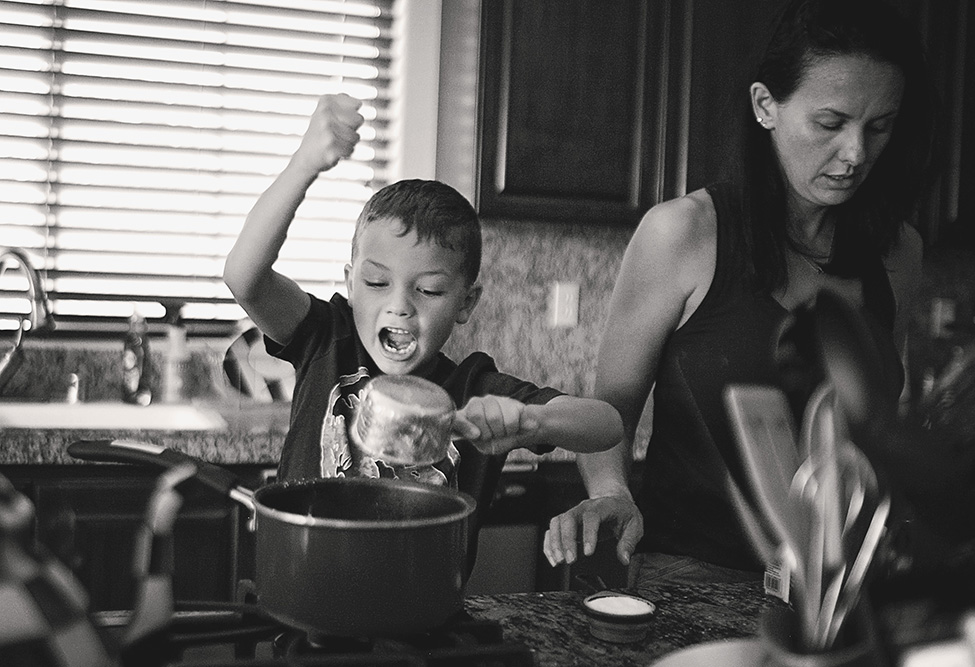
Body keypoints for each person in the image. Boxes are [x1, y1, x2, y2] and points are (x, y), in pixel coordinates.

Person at [543, 0, 938, 585]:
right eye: (831, 123)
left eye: (879, 127)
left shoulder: (899, 254)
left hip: (840, 589)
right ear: (765, 106)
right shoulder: (683, 233)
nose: (856, 154)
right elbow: (611, 410)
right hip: (692, 578)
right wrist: (610, 491)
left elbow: (879, 427)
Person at [223, 94, 622, 511]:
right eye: (376, 282)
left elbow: (606, 425)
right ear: (351, 283)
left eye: (428, 290)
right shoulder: (327, 338)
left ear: (466, 304)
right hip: (296, 572)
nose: (400, 305)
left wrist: (529, 421)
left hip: (424, 577)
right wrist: (304, 164)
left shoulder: (474, 390)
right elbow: (243, 278)